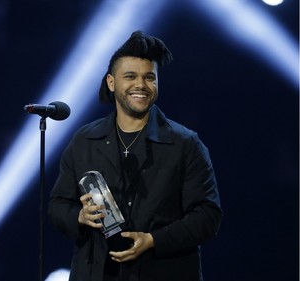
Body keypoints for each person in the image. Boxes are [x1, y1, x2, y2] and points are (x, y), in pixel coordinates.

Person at [48, 31, 222, 281]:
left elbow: (208, 216)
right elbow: (57, 205)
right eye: (130, 76)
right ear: (111, 82)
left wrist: (153, 240)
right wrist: (80, 216)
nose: (141, 85)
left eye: (149, 77)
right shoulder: (84, 141)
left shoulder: (185, 144)